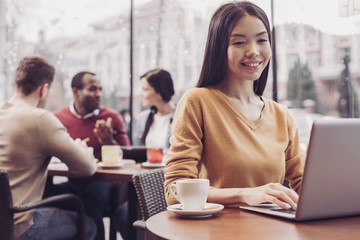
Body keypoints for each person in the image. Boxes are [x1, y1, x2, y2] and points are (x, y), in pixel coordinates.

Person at [164, 1, 306, 211]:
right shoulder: (197, 102)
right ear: (219, 48)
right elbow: (174, 192)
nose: (253, 51)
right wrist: (247, 194)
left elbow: (305, 185)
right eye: (239, 43)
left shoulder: (280, 114)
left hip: (272, 228)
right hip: (217, 229)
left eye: (262, 40)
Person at [0, 56, 97, 239]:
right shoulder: (39, 119)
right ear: (44, 90)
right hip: (17, 227)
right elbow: (87, 168)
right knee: (89, 224)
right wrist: (81, 148)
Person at [45, 71, 130, 240]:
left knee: (90, 199)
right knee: (45, 195)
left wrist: (109, 142)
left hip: (104, 183)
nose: (98, 94)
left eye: (100, 89)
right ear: (76, 91)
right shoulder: (58, 118)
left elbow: (127, 157)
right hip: (72, 181)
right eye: (92, 89)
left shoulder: (111, 117)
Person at [133, 68, 176, 150]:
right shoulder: (142, 119)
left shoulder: (181, 118)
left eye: (145, 90)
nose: (140, 94)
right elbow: (137, 153)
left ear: (159, 93)